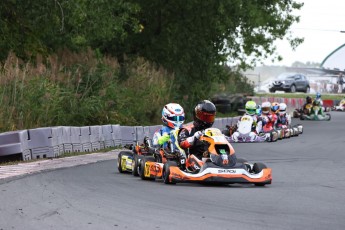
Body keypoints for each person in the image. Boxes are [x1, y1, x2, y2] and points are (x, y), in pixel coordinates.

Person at [178, 100, 236, 172]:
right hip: (195, 158)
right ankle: (207, 165)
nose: (208, 121)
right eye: (205, 117)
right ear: (197, 115)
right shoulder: (187, 129)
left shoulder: (211, 130)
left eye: (210, 118)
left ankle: (226, 160)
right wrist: (194, 137)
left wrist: (226, 134)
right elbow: (181, 144)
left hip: (213, 158)